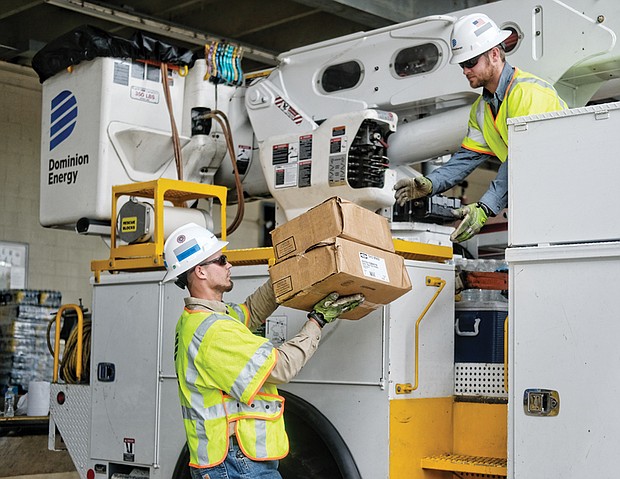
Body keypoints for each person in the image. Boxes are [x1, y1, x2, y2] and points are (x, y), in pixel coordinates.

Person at [163, 222, 364, 479]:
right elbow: (280, 367)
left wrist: (282, 277)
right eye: (221, 260)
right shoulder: (214, 331)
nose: (229, 265)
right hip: (237, 463)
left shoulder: (202, 318)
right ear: (200, 271)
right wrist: (318, 321)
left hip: (235, 460)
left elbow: (251, 311)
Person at [394, 13, 568, 243]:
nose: (465, 70)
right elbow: (466, 158)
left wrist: (485, 208)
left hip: (566, 190)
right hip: (538, 197)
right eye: (462, 65)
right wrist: (431, 183)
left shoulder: (530, 94)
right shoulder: (481, 109)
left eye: (470, 62)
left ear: (494, 54)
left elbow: (522, 159)